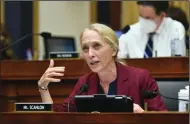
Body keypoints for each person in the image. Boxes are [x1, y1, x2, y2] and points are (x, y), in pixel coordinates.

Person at [38, 23, 167, 113]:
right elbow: (59, 116)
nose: (90, 54)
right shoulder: (85, 83)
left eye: (97, 46)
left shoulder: (140, 77)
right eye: (85, 48)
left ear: (113, 50)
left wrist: (141, 115)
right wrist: (43, 88)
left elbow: (162, 119)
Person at [117, 1, 186, 59]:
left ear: (162, 16)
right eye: (141, 16)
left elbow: (178, 62)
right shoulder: (130, 32)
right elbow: (119, 61)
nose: (143, 21)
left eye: (148, 18)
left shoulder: (176, 28)